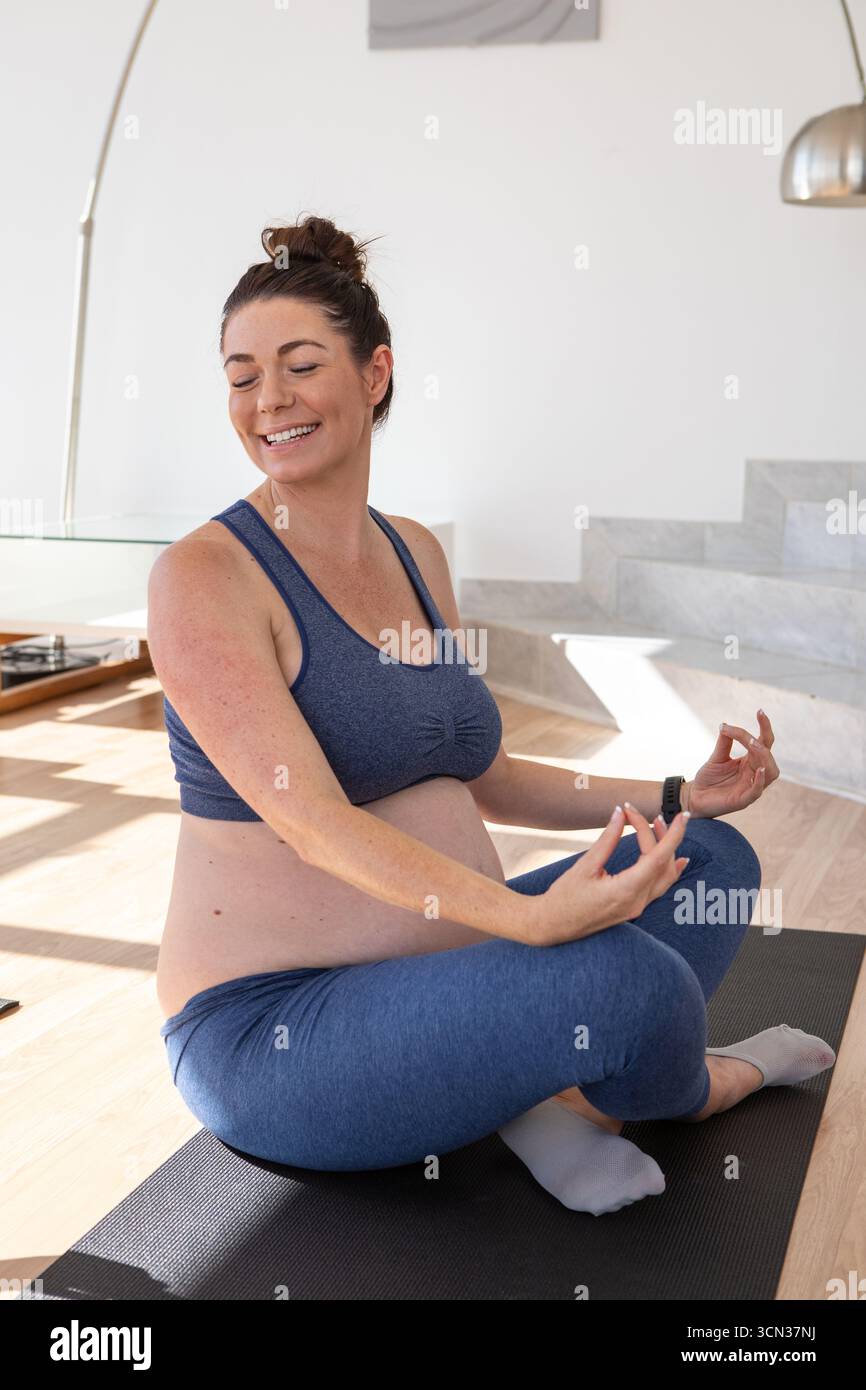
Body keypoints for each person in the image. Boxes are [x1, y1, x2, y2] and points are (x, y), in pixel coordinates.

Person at [147, 214, 835, 1215]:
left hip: (448, 969)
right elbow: (311, 821)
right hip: (275, 1027)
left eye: (299, 365)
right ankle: (695, 1084)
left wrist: (681, 789)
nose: (267, 400)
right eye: (241, 374)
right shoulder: (204, 576)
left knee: (706, 858)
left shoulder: (414, 551)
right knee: (628, 985)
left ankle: (534, 1087)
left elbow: (481, 768)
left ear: (373, 373)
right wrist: (529, 918)